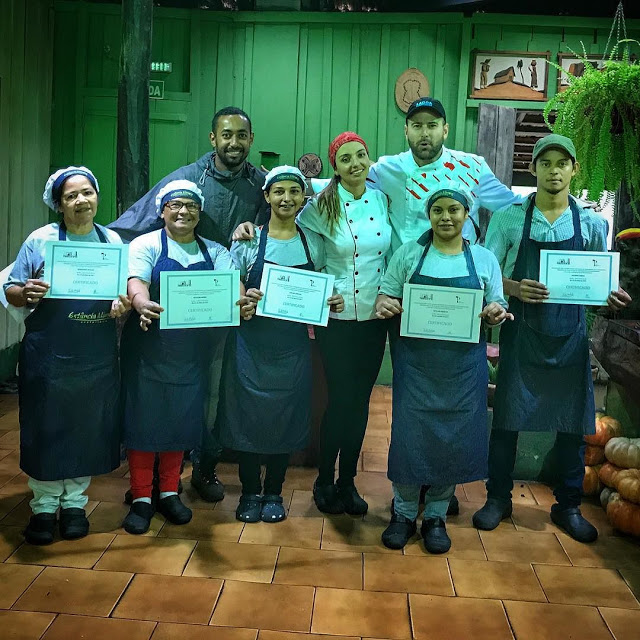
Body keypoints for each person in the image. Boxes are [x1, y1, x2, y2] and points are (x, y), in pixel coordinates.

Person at [473, 134, 631, 543]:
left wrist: (608, 296)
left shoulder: (593, 223)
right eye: (546, 163)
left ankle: (568, 505)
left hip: (570, 338)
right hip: (522, 334)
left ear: (574, 169)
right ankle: (498, 498)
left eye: (563, 163)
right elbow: (486, 277)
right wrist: (513, 286)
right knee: (507, 420)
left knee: (572, 426)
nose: (554, 170)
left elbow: (599, 286)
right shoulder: (510, 218)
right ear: (534, 169)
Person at [111, 106, 270, 503]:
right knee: (165, 396)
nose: (234, 142)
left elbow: (287, 222)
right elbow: (130, 224)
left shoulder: (262, 184)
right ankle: (155, 482)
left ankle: (204, 467)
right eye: (226, 135)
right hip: (172, 320)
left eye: (242, 135)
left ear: (251, 140)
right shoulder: (184, 179)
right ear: (213, 139)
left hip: (229, 311)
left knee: (216, 394)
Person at [375, 186, 510, 553]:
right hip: (417, 365)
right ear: (428, 214)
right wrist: (386, 304)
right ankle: (403, 513)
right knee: (409, 435)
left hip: (463, 369)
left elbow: (497, 302)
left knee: (451, 437)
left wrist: (496, 311)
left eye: (454, 210)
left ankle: (435, 515)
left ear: (467, 215)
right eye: (438, 210)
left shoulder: (483, 260)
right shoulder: (409, 254)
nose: (446, 217)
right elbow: (386, 294)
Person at [120, 180, 255, 535]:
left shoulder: (215, 251)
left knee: (181, 419)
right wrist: (140, 301)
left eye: (192, 206)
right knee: (143, 419)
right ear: (162, 210)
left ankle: (167, 491)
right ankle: (140, 498)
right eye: (176, 205)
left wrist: (242, 299)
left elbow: (232, 283)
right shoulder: (145, 244)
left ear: (200, 212)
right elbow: (136, 280)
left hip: (193, 353)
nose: (184, 212)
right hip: (149, 348)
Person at [4, 167, 129, 545]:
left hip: (95, 353)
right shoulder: (41, 240)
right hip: (49, 353)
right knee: (46, 426)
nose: (81, 201)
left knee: (86, 427)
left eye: (87, 193)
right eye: (71, 196)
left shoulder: (113, 242)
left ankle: (74, 503)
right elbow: (10, 288)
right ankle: (43, 506)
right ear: (58, 204)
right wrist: (26, 292)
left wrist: (121, 304)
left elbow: (122, 292)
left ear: (97, 197)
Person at [219, 165, 344, 523]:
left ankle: (274, 490)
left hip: (292, 347)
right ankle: (248, 492)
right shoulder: (247, 241)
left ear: (304, 197)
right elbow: (233, 285)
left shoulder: (313, 242)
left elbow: (322, 285)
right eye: (279, 191)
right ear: (266, 196)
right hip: (250, 344)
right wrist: (243, 298)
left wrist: (330, 300)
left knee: (284, 417)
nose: (286, 198)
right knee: (247, 417)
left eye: (294, 191)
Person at [294, 132, 391, 515]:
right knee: (339, 401)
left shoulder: (382, 200)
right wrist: (322, 287)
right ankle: (323, 480)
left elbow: (393, 252)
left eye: (361, 156)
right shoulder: (321, 205)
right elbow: (299, 245)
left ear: (369, 159)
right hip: (336, 318)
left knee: (361, 402)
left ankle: (348, 482)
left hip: (372, 317)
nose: (355, 164)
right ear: (335, 166)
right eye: (346, 158)